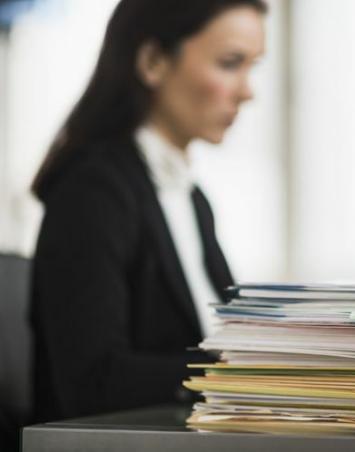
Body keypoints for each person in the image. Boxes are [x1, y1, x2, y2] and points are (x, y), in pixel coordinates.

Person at [30, 0, 266, 421]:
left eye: (253, 66)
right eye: (231, 63)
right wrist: (239, 371)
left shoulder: (191, 198)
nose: (248, 91)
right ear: (154, 61)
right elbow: (92, 379)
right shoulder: (93, 191)